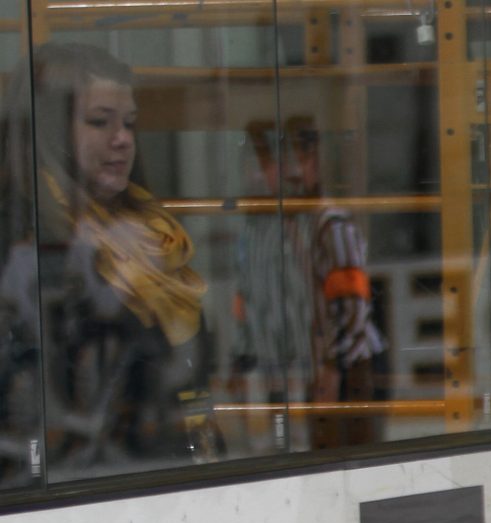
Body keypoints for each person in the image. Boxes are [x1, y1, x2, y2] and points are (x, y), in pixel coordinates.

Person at [0, 41, 212, 484]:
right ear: (52, 130)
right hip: (55, 493)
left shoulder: (151, 232)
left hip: (156, 476)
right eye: (100, 121)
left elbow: (188, 374)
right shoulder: (21, 239)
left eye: (130, 123)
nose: (123, 139)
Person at [236, 115, 386, 448]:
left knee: (340, 459)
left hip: (341, 373)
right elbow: (250, 299)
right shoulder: (263, 228)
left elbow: (352, 305)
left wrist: (332, 371)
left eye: (266, 161)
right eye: (256, 162)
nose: (257, 174)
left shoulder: (328, 223)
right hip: (293, 368)